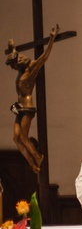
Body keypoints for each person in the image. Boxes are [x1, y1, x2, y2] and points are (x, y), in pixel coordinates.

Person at [5, 25, 60, 173]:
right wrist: (12, 48)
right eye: (19, 59)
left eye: (22, 57)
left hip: (28, 108)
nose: (23, 58)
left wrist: (51, 39)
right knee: (16, 138)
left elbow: (44, 57)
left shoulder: (32, 68)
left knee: (23, 138)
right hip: (19, 108)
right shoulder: (21, 69)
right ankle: (32, 163)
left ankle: (37, 157)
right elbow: (14, 56)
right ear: (16, 66)